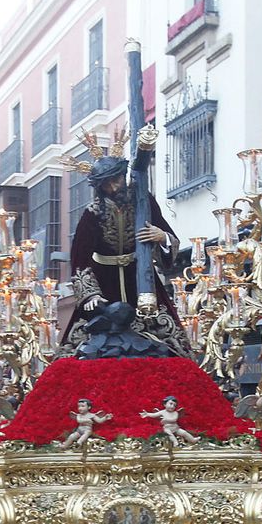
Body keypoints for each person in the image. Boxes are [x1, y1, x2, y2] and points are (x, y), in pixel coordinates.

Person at [61, 128, 188, 358]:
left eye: (116, 181)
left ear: (123, 176)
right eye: (107, 185)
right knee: (83, 346)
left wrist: (162, 237)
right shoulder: (92, 213)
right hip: (103, 280)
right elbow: (79, 257)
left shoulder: (143, 201)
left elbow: (168, 236)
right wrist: (90, 295)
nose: (113, 188)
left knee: (170, 342)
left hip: (139, 277)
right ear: (99, 187)